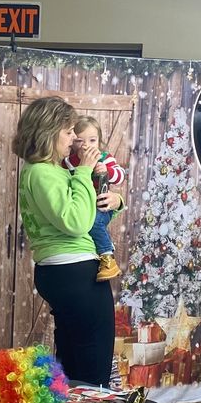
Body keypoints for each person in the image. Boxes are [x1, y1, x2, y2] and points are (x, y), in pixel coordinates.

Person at [12, 96, 123, 403]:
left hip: (64, 272)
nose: (73, 137)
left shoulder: (50, 171)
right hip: (75, 274)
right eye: (67, 130)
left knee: (70, 366)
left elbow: (89, 213)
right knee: (90, 376)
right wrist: (85, 170)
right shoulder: (44, 173)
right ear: (48, 133)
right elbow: (77, 222)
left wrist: (114, 199)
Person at [63, 116, 125, 281]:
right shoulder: (68, 162)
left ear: (99, 141)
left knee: (94, 222)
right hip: (80, 207)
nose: (86, 145)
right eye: (79, 141)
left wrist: (107, 171)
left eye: (92, 140)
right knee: (86, 226)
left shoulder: (104, 158)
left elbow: (120, 176)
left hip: (100, 206)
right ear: (72, 141)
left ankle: (108, 258)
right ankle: (97, 251)